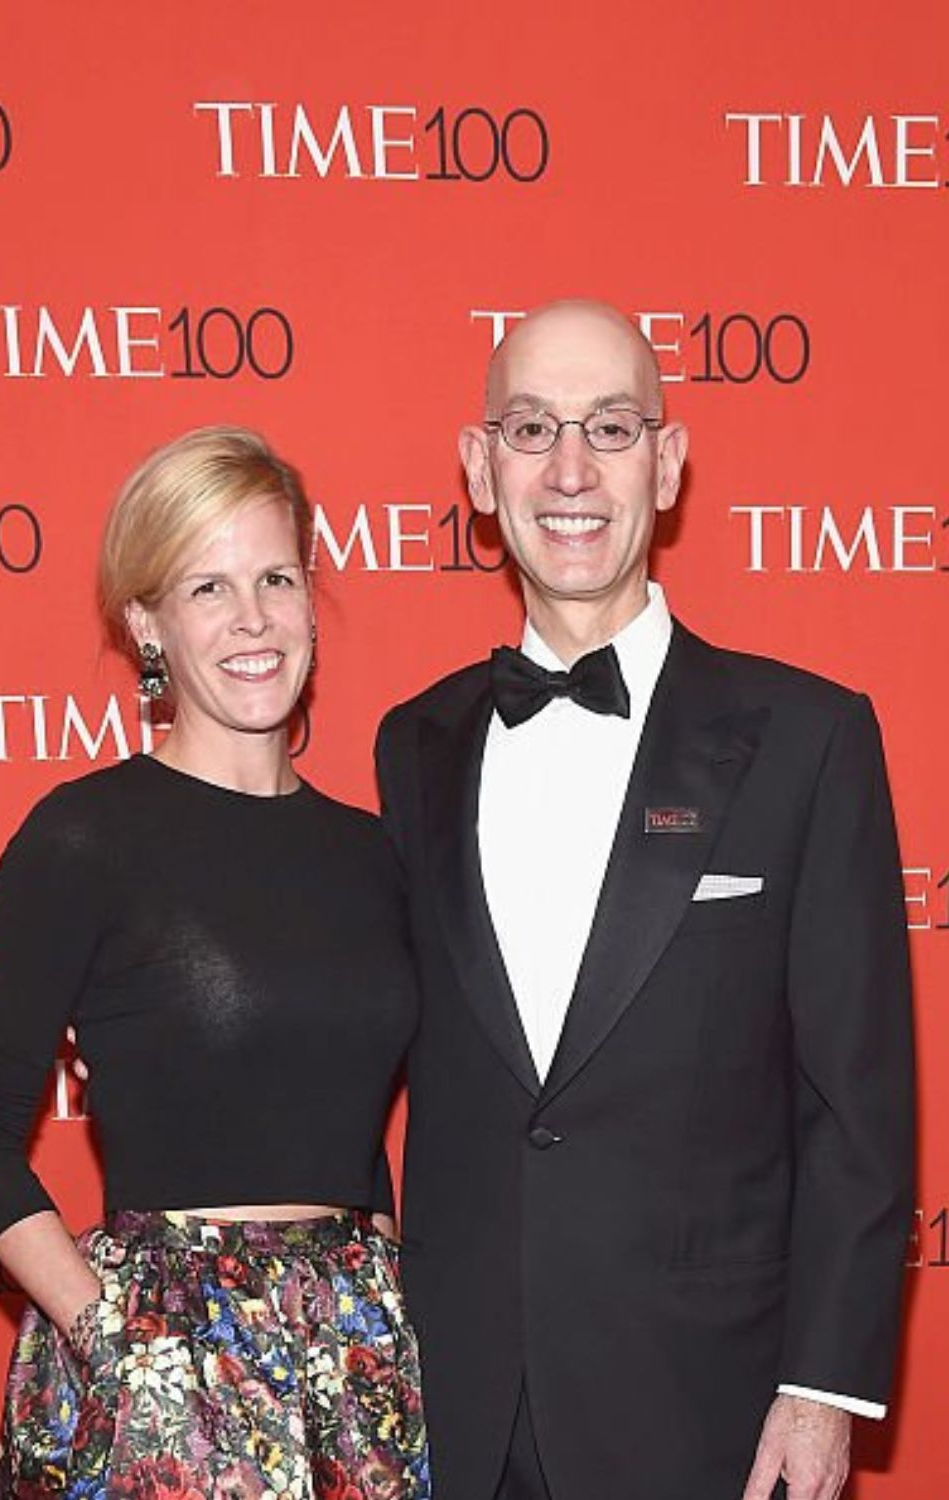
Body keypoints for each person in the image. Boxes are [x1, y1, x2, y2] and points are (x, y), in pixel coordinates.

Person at [375, 300, 914, 1500]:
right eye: (531, 429)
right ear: (479, 467)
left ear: (665, 465)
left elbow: (857, 1103)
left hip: (707, 1410)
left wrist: (823, 1391)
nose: (570, 470)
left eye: (610, 428)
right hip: (460, 1401)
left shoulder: (808, 739)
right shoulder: (413, 745)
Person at [0, 427, 429, 1500]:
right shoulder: (86, 837)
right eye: (207, 586)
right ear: (146, 623)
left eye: (275, 577)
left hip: (358, 1366)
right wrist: (111, 1338)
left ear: (311, 598)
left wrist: (385, 1307)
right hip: (162, 1363)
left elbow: (355, 1126)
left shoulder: (373, 852)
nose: (251, 618)